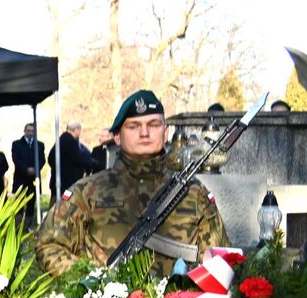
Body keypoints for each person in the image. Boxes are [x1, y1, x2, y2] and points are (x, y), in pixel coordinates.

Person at [36, 90, 229, 277]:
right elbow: (49, 246)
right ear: (117, 136)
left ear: (166, 132)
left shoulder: (193, 193)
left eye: (153, 124)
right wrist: (95, 282)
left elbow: (219, 261)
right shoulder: (87, 193)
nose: (144, 132)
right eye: (133, 126)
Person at [47, 121, 99, 200]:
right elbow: (78, 158)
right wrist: (93, 163)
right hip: (68, 183)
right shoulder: (70, 141)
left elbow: (50, 158)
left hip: (58, 182)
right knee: (66, 202)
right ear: (76, 130)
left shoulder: (60, 140)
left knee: (57, 202)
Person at [11, 122, 45, 219]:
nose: (30, 133)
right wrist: (26, 169)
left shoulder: (39, 145)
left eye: (32, 131)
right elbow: (16, 159)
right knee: (18, 203)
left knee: (31, 203)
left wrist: (35, 169)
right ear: (25, 131)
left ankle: (28, 224)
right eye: (28, 131)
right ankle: (18, 225)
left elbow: (42, 159)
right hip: (20, 178)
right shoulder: (17, 144)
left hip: (33, 179)